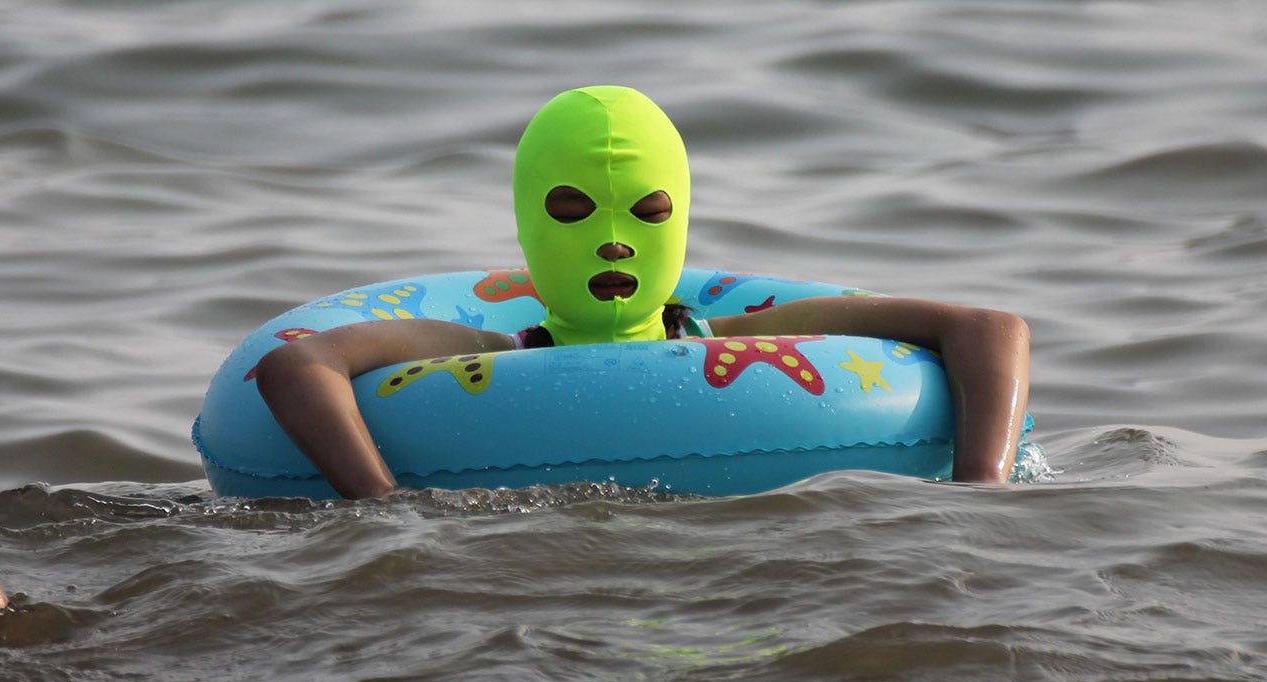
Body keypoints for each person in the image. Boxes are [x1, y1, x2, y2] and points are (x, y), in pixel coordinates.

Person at [255, 86, 1030, 500]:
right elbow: (299, 367)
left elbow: (989, 329)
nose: (617, 240)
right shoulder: (489, 351)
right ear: (529, 229)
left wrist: (980, 496)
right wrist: (384, 510)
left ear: (680, 218)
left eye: (649, 212)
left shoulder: (723, 337)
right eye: (571, 211)